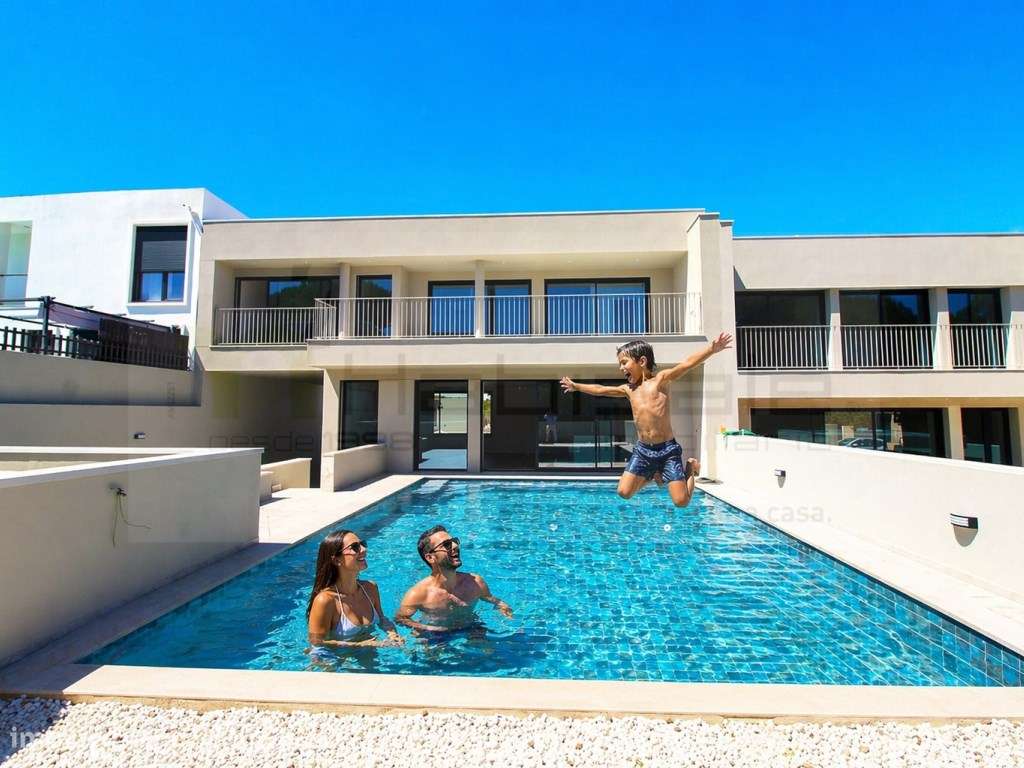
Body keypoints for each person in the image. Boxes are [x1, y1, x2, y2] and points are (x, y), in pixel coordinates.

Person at [559, 332, 732, 508]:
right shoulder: (628, 389)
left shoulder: (661, 380)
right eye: (620, 364)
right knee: (623, 492)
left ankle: (689, 467)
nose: (621, 368)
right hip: (643, 450)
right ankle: (652, 474)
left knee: (681, 502)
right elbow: (600, 389)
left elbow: (687, 364)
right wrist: (576, 386)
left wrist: (712, 349)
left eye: (624, 362)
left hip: (667, 450)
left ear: (641, 361)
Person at [395, 525, 513, 633]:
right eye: (446, 545)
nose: (455, 546)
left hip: (471, 626)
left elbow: (494, 600)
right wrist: (428, 628)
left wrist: (504, 608)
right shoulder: (418, 594)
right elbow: (401, 618)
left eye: (454, 541)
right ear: (430, 557)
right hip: (435, 633)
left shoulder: (475, 582)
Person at [306, 529, 403, 648]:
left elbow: (382, 619)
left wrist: (393, 634)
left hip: (371, 653)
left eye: (363, 544)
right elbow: (316, 642)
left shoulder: (370, 588)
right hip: (338, 657)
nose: (364, 549)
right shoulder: (326, 600)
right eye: (355, 547)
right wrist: (360, 644)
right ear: (336, 560)